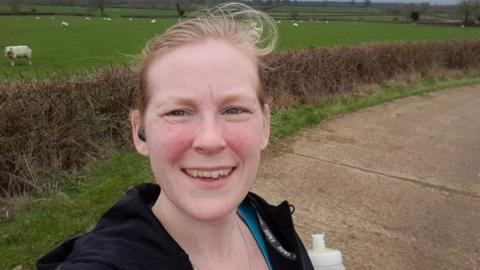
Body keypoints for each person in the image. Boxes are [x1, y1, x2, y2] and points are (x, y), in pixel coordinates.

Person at [37, 3, 314, 270]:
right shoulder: (106, 261)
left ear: (264, 126)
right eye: (178, 112)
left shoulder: (267, 221)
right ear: (140, 133)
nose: (210, 140)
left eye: (234, 109)